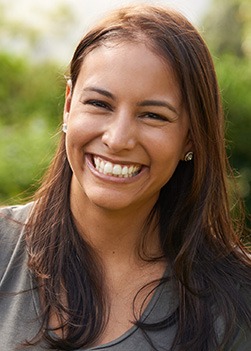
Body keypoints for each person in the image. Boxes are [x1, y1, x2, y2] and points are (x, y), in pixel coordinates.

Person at [0, 4, 250, 351]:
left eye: (152, 115)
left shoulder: (238, 299)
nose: (118, 139)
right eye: (100, 104)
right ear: (69, 105)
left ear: (190, 137)